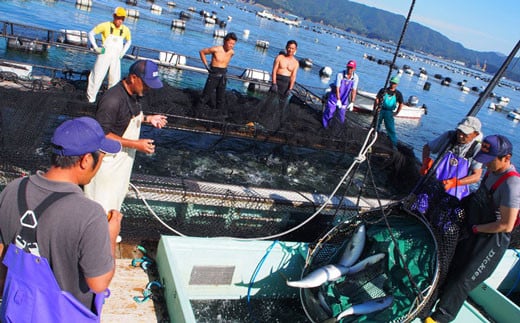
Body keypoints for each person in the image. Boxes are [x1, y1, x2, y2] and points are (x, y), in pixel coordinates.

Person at [0, 117, 122, 321]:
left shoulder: (13, 189)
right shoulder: (90, 214)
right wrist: (110, 236)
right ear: (85, 160)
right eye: (101, 157)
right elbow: (99, 283)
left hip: (15, 312)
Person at [425, 134, 520, 323]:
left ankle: (440, 319)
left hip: (490, 241)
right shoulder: (490, 172)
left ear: (506, 158)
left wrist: (477, 229)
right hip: (474, 230)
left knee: (462, 279)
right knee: (450, 267)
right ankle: (427, 302)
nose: (486, 165)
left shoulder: (512, 185)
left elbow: (506, 225)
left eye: (490, 160)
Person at [84, 59, 167, 213]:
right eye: (146, 83)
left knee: (115, 202)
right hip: (107, 164)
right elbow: (102, 135)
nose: (149, 88)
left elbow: (126, 117)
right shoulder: (112, 100)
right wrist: (136, 144)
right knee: (100, 206)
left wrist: (148, 119)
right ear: (133, 78)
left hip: (122, 164)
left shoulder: (135, 94)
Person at [420, 116, 483, 199]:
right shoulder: (449, 136)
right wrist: (425, 162)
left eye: (465, 134)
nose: (460, 136)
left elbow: (476, 176)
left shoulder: (476, 148)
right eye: (459, 131)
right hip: (434, 182)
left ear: (476, 134)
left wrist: (456, 182)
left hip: (455, 193)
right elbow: (427, 148)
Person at [86, 7, 132, 103]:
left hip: (116, 57)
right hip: (104, 55)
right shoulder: (105, 25)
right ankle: (90, 99)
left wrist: (123, 52)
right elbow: (91, 34)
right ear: (114, 16)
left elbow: (129, 41)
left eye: (122, 18)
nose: (120, 20)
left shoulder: (125, 30)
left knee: (114, 79)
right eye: (118, 18)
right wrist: (96, 47)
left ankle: (110, 101)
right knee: (97, 76)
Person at [198, 32, 237, 110]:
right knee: (205, 96)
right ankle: (196, 112)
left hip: (223, 76)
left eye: (233, 44)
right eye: (230, 43)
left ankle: (218, 115)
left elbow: (225, 61)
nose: (231, 46)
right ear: (225, 41)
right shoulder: (216, 49)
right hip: (214, 75)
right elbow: (202, 52)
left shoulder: (232, 52)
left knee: (220, 98)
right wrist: (206, 65)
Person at [322, 60, 359, 128]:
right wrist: (338, 100)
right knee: (330, 112)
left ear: (354, 69)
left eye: (351, 68)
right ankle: (325, 126)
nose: (349, 69)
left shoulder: (355, 78)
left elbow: (354, 90)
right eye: (348, 67)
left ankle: (337, 128)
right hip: (335, 96)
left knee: (341, 116)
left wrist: (352, 102)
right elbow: (337, 88)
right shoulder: (340, 75)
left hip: (344, 98)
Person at [374, 76, 404, 149]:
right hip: (381, 110)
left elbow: (401, 103)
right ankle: (373, 137)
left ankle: (394, 144)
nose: (392, 84)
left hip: (389, 112)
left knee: (390, 128)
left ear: (397, 84)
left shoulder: (398, 94)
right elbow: (377, 98)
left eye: (394, 83)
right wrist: (375, 108)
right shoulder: (383, 90)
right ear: (389, 82)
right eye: (392, 82)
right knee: (376, 125)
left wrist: (397, 112)